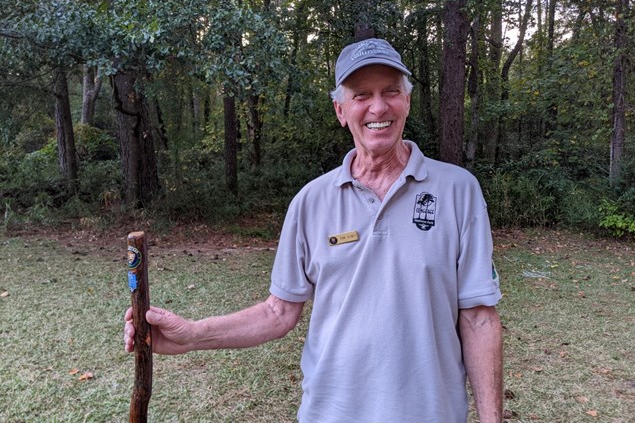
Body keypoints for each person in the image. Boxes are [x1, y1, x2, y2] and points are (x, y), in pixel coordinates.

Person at [124, 38, 503, 422]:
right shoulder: (311, 202)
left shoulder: (458, 191)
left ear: (406, 101)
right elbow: (277, 313)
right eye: (361, 95)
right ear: (340, 109)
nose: (378, 106)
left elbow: (478, 318)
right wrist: (191, 334)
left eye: (391, 91)